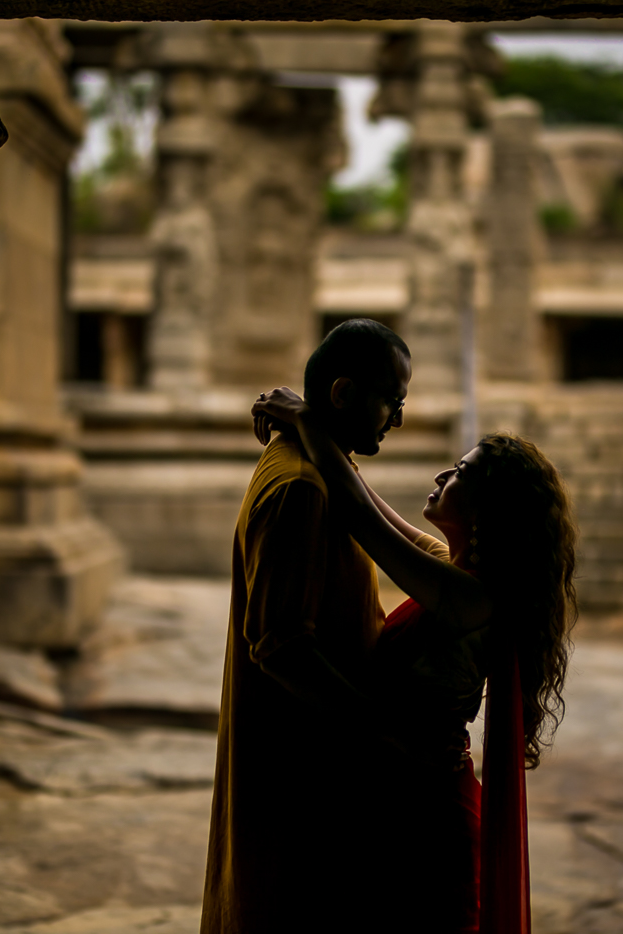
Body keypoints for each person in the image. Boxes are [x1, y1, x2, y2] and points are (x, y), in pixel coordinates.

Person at [252, 386, 579, 934]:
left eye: (459, 472)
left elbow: (358, 515)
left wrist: (307, 422)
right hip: (401, 804)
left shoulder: (472, 598)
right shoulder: (449, 574)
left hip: (430, 819)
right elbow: (364, 499)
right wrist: (322, 435)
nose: (440, 477)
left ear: (487, 508)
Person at [201, 319, 412, 934]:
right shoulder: (300, 487)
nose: (397, 419)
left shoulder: (312, 464)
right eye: (391, 401)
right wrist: (381, 728)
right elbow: (282, 646)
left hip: (310, 756)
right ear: (344, 395)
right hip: (300, 767)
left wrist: (309, 424)